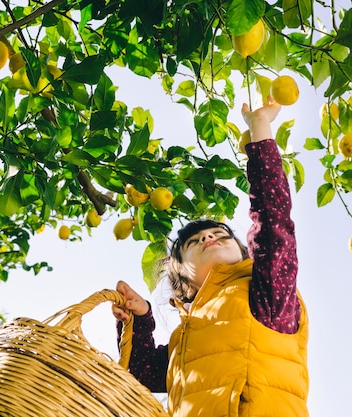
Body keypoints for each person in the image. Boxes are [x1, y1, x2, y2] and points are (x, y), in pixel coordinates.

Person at [112, 97, 309, 417]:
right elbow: (141, 373)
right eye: (194, 242)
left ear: (246, 254)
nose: (208, 237)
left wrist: (260, 128)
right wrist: (140, 318)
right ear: (181, 283)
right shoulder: (183, 341)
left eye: (220, 235)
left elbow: (274, 225)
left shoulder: (264, 296)